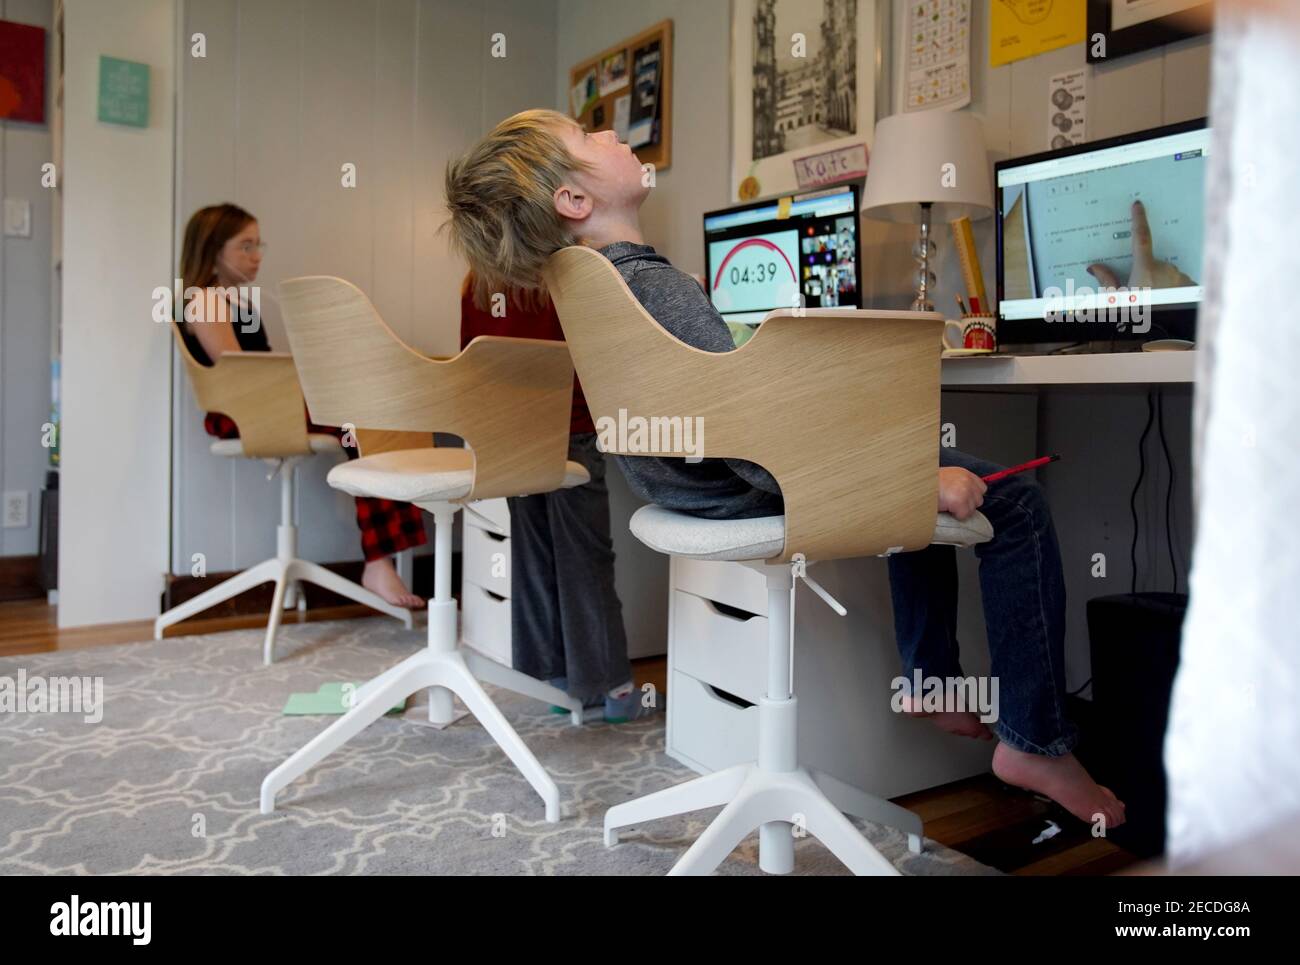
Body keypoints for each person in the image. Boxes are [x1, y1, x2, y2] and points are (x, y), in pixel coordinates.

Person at [442, 109, 1124, 828]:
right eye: (589, 138)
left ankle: (931, 679)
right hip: (754, 481)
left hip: (699, 490)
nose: (611, 135)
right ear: (574, 199)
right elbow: (751, 437)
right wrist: (908, 482)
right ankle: (1035, 741)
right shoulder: (656, 287)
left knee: (905, 439)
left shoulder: (597, 285)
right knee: (1015, 503)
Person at [176, 203, 425, 610]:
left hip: (265, 405)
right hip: (247, 413)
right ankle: (379, 560)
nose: (256, 256)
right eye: (245, 246)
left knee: (377, 417)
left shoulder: (235, 303)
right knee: (367, 420)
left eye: (259, 246)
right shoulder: (204, 301)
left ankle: (383, 558)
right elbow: (239, 376)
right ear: (214, 250)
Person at [457, 271, 643, 722]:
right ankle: (611, 686)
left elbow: (472, 363)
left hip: (510, 434)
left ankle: (556, 679)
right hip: (571, 427)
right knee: (585, 558)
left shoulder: (475, 283)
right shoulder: (565, 271)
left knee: (533, 556)